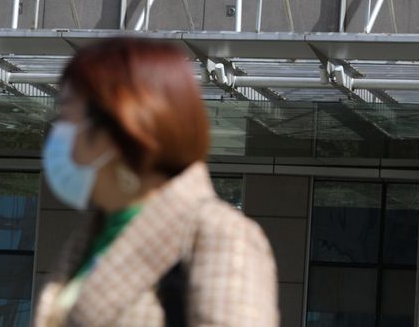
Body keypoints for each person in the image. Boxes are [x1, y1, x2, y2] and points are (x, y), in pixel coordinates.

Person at [34, 38, 279, 327]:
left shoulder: (218, 234)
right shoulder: (91, 235)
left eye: (68, 113)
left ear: (122, 124)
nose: (58, 132)